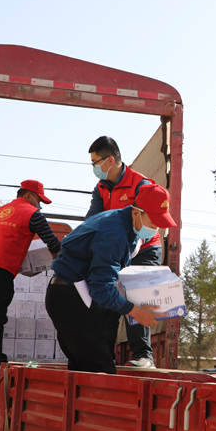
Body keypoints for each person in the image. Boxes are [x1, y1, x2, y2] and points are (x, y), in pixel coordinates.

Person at [46, 183, 176, 374]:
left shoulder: (126, 226)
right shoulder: (114, 232)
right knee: (99, 372)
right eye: (153, 223)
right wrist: (135, 311)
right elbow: (101, 287)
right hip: (72, 298)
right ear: (136, 213)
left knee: (89, 370)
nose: (156, 230)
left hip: (83, 296)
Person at [0, 180, 61, 375]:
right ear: (28, 196)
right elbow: (52, 241)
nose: (40, 206)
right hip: (0, 269)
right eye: (39, 200)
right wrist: (58, 257)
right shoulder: (32, 214)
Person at [87, 136, 161, 368]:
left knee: (135, 289)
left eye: (95, 162)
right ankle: (103, 355)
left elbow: (148, 224)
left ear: (110, 160)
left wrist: (126, 255)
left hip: (145, 246)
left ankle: (143, 356)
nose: (94, 168)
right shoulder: (100, 189)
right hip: (119, 248)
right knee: (106, 293)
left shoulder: (141, 185)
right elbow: (93, 221)